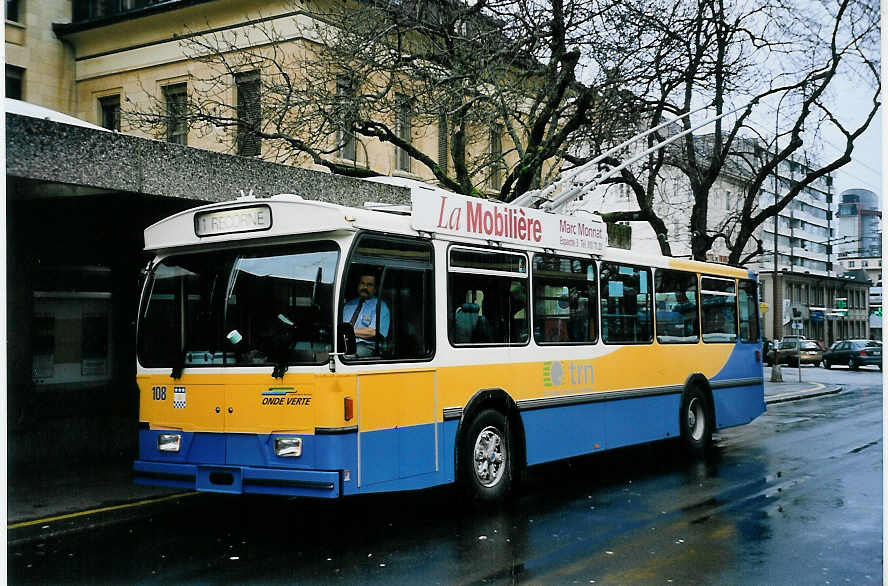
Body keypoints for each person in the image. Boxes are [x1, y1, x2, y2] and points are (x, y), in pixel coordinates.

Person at [342, 273, 390, 357]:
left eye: (369, 285)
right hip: (342, 342)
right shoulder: (348, 305)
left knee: (345, 357)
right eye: (362, 283)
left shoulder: (381, 306)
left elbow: (372, 332)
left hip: (365, 345)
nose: (365, 287)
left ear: (375, 289)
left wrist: (347, 332)